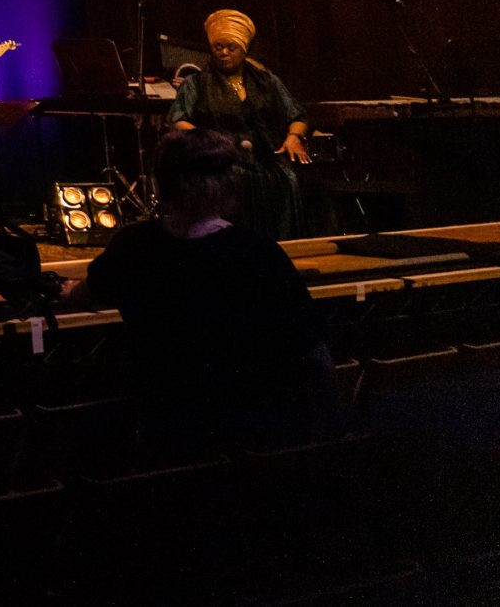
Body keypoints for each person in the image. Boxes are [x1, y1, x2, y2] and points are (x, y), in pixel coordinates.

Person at [65, 127, 335, 453]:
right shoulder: (258, 252)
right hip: (258, 434)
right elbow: (313, 349)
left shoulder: (134, 246)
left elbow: (86, 294)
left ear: (161, 183)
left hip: (169, 433)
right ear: (229, 186)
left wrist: (66, 290)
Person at [171, 9, 309, 240]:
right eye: (218, 47)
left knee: (292, 180)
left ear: (244, 50)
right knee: (235, 181)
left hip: (267, 156)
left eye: (231, 47)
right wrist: (210, 141)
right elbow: (179, 120)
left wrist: (294, 137)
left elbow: (297, 116)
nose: (224, 52)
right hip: (222, 158)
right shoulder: (196, 84)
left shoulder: (267, 81)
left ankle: (285, 246)